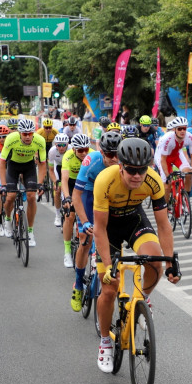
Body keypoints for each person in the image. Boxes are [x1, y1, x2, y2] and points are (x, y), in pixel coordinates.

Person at [93, 138, 179, 371]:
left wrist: (170, 262)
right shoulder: (104, 180)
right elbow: (99, 228)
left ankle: (142, 300)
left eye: (142, 170)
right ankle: (104, 342)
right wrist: (109, 264)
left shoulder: (153, 180)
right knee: (109, 288)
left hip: (134, 220)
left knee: (155, 263)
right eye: (131, 170)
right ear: (120, 165)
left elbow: (163, 225)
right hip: (109, 227)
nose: (137, 176)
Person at [71, 130, 123, 312]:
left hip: (108, 197)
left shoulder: (123, 161)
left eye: (118, 154)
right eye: (110, 155)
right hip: (89, 195)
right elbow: (76, 195)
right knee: (86, 240)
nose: (115, 159)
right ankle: (78, 284)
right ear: (102, 152)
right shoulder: (90, 160)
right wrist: (85, 222)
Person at [0, 117, 47, 247]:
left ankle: (30, 231)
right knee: (11, 196)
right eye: (25, 134)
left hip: (29, 167)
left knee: (31, 196)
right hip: (13, 166)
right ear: (19, 133)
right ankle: (8, 220)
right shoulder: (11, 139)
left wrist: (40, 183)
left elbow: (42, 164)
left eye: (30, 133)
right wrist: (3, 185)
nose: (27, 137)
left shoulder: (40, 141)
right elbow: (2, 162)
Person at [60, 133, 92, 266]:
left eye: (86, 149)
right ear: (73, 149)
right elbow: (65, 180)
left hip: (88, 184)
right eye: (80, 150)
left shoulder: (93, 154)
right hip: (73, 184)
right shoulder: (68, 156)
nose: (84, 153)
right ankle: (67, 251)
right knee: (70, 215)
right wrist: (67, 197)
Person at [48, 134, 70, 227]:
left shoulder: (71, 149)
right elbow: (51, 170)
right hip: (58, 168)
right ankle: (57, 214)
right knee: (57, 190)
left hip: (68, 168)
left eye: (63, 145)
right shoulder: (52, 151)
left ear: (67, 144)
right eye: (59, 145)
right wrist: (55, 182)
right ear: (55, 145)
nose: (61, 148)